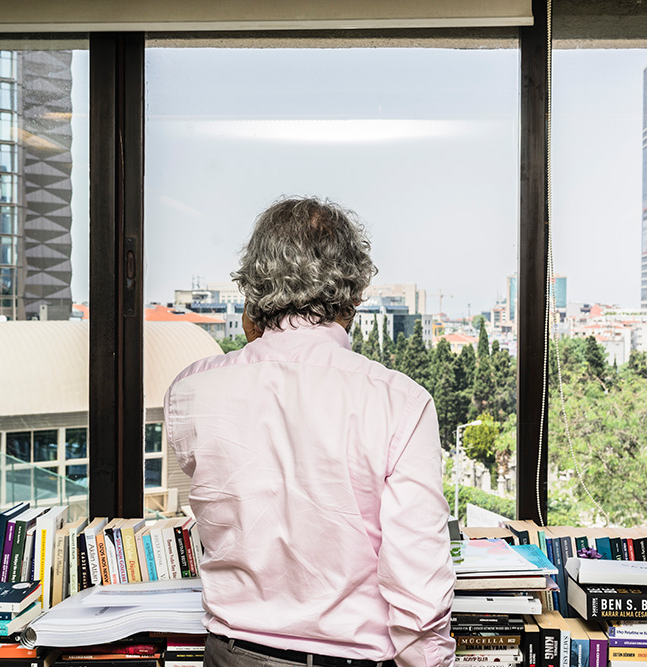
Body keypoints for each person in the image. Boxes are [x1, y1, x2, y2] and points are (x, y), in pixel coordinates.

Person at [164, 197, 455, 667]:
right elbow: (417, 579)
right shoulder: (399, 401)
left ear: (252, 287)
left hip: (230, 655)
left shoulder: (191, 389)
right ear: (353, 296)